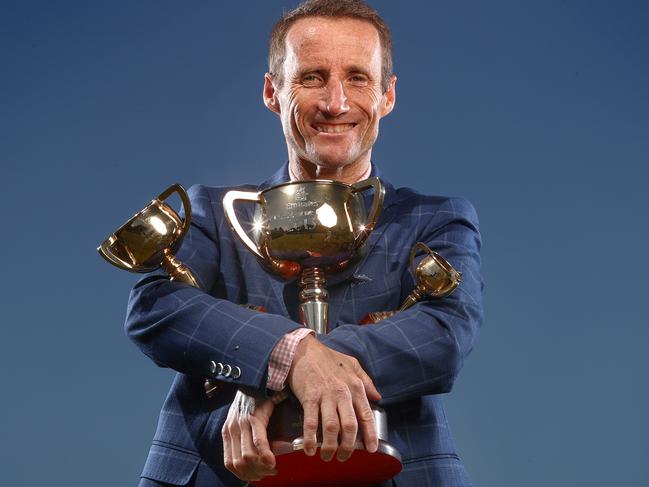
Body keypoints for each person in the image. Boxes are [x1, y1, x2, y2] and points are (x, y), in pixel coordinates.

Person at [125, 1, 483, 486]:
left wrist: (281, 374)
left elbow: (443, 337)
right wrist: (289, 356)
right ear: (273, 91)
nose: (336, 102)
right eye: (312, 77)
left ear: (387, 96)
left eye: (358, 78)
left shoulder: (436, 219)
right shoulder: (213, 211)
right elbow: (155, 309)